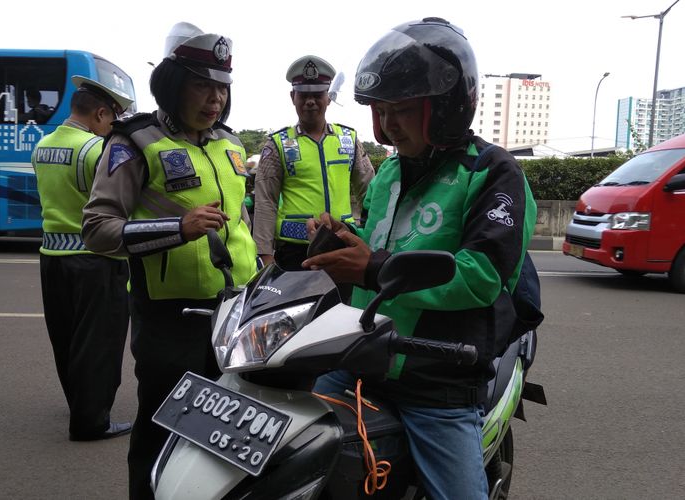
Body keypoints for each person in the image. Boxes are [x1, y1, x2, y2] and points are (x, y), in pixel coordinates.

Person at [303, 18, 538, 499]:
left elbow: (483, 275)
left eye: (402, 110)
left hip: (437, 380)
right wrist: (343, 238)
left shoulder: (492, 172)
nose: (388, 125)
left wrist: (372, 265)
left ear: (446, 107)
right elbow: (375, 239)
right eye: (381, 111)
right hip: (363, 361)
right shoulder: (390, 171)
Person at [81, 28, 257, 500]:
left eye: (222, 87)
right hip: (171, 318)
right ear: (173, 85)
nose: (215, 99)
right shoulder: (134, 142)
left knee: (228, 434)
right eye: (202, 85)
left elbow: (238, 220)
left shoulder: (231, 143)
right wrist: (176, 229)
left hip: (235, 314)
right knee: (163, 433)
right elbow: (97, 229)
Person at [32, 75, 134, 441]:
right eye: (111, 120)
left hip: (52, 255)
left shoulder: (42, 146)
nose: (111, 128)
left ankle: (79, 402)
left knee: (66, 337)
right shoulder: (94, 150)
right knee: (99, 342)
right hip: (95, 257)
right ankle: (92, 421)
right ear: (101, 113)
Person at [252, 55, 374, 271]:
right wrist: (264, 256)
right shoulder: (277, 144)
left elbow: (371, 192)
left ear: (328, 98)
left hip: (342, 245)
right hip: (294, 252)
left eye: (317, 94)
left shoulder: (349, 139)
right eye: (304, 95)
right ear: (293, 97)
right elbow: (265, 202)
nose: (310, 101)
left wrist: (374, 239)